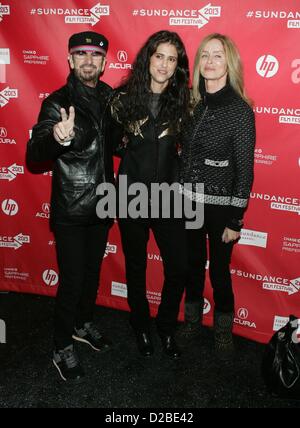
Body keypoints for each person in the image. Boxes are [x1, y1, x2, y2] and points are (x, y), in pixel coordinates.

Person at [27, 31, 114, 382]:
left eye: (95, 55)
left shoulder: (111, 98)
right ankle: (61, 345)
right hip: (71, 207)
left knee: (92, 274)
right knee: (73, 279)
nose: (88, 60)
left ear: (105, 62)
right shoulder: (57, 103)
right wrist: (56, 138)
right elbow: (34, 156)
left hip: (105, 203)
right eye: (81, 54)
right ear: (70, 60)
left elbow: (118, 143)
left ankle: (82, 323)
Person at [110, 31, 190, 359]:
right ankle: (140, 324)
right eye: (160, 56)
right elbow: (112, 144)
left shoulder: (185, 103)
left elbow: (187, 151)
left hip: (170, 198)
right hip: (130, 195)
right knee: (135, 266)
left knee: (179, 267)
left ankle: (166, 327)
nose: (164, 64)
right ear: (149, 58)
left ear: (177, 66)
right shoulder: (122, 100)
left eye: (172, 59)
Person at [179, 33, 256, 360]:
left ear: (229, 64)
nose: (210, 62)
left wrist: (236, 218)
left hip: (222, 208)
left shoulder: (239, 110)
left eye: (218, 56)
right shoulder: (192, 103)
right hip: (187, 201)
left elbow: (245, 170)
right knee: (192, 266)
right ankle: (192, 322)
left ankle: (223, 331)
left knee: (220, 271)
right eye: (205, 56)